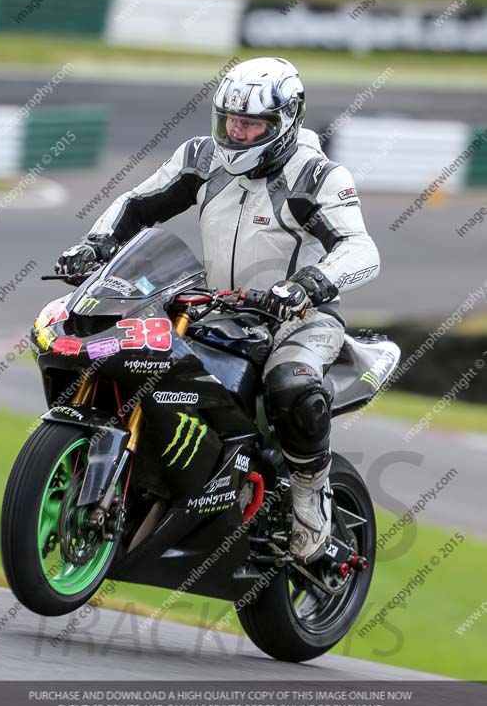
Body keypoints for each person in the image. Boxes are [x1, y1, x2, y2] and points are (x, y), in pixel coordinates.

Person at [56, 57, 380, 564]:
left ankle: (309, 502)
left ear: (285, 121)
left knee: (291, 385)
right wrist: (95, 245)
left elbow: (362, 251)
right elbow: (137, 204)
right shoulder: (201, 158)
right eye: (230, 120)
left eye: (252, 124)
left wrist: (306, 286)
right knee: (142, 350)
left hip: (301, 318)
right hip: (220, 306)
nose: (237, 132)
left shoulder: (318, 175)